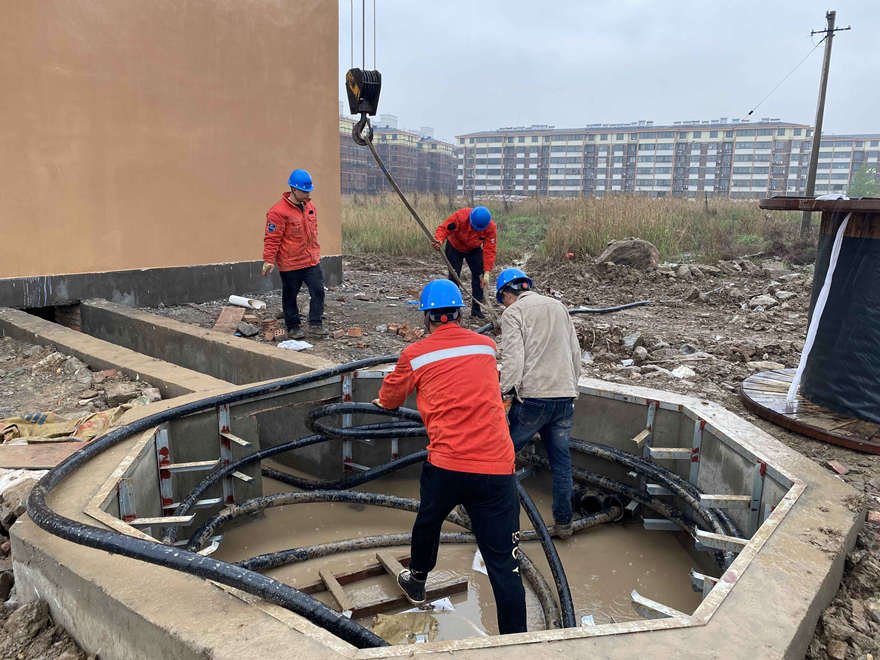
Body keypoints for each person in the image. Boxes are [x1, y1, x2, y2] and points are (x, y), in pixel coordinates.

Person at [373, 279, 527, 634]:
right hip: (497, 466)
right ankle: (516, 642)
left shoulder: (415, 354)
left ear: (427, 317)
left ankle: (417, 579)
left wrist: (385, 399)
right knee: (505, 565)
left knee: (429, 521)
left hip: (447, 465)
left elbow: (391, 398)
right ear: (459, 314)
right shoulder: (486, 346)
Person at [496, 268, 581, 538]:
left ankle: (480, 514)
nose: (504, 305)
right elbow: (575, 354)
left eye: (502, 300)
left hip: (533, 400)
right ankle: (564, 523)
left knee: (500, 457)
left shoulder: (513, 313)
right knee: (561, 463)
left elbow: (513, 360)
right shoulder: (559, 307)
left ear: (507, 294)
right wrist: (571, 388)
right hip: (564, 397)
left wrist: (503, 392)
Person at [261, 169, 328, 339]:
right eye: (304, 191)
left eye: (309, 191)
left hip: (310, 260)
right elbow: (272, 238)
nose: (307, 194)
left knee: (318, 291)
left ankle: (315, 323)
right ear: (293, 189)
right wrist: (269, 260)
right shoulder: (278, 212)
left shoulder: (310, 207)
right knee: (290, 295)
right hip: (290, 263)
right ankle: (293, 326)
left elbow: (313, 231)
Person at [432, 206, 497, 319]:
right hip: (454, 246)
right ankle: (453, 308)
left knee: (479, 277)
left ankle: (476, 310)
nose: (477, 230)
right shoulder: (460, 217)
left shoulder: (490, 228)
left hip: (473, 249)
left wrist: (487, 272)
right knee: (454, 276)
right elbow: (444, 228)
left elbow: (489, 250)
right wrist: (439, 240)